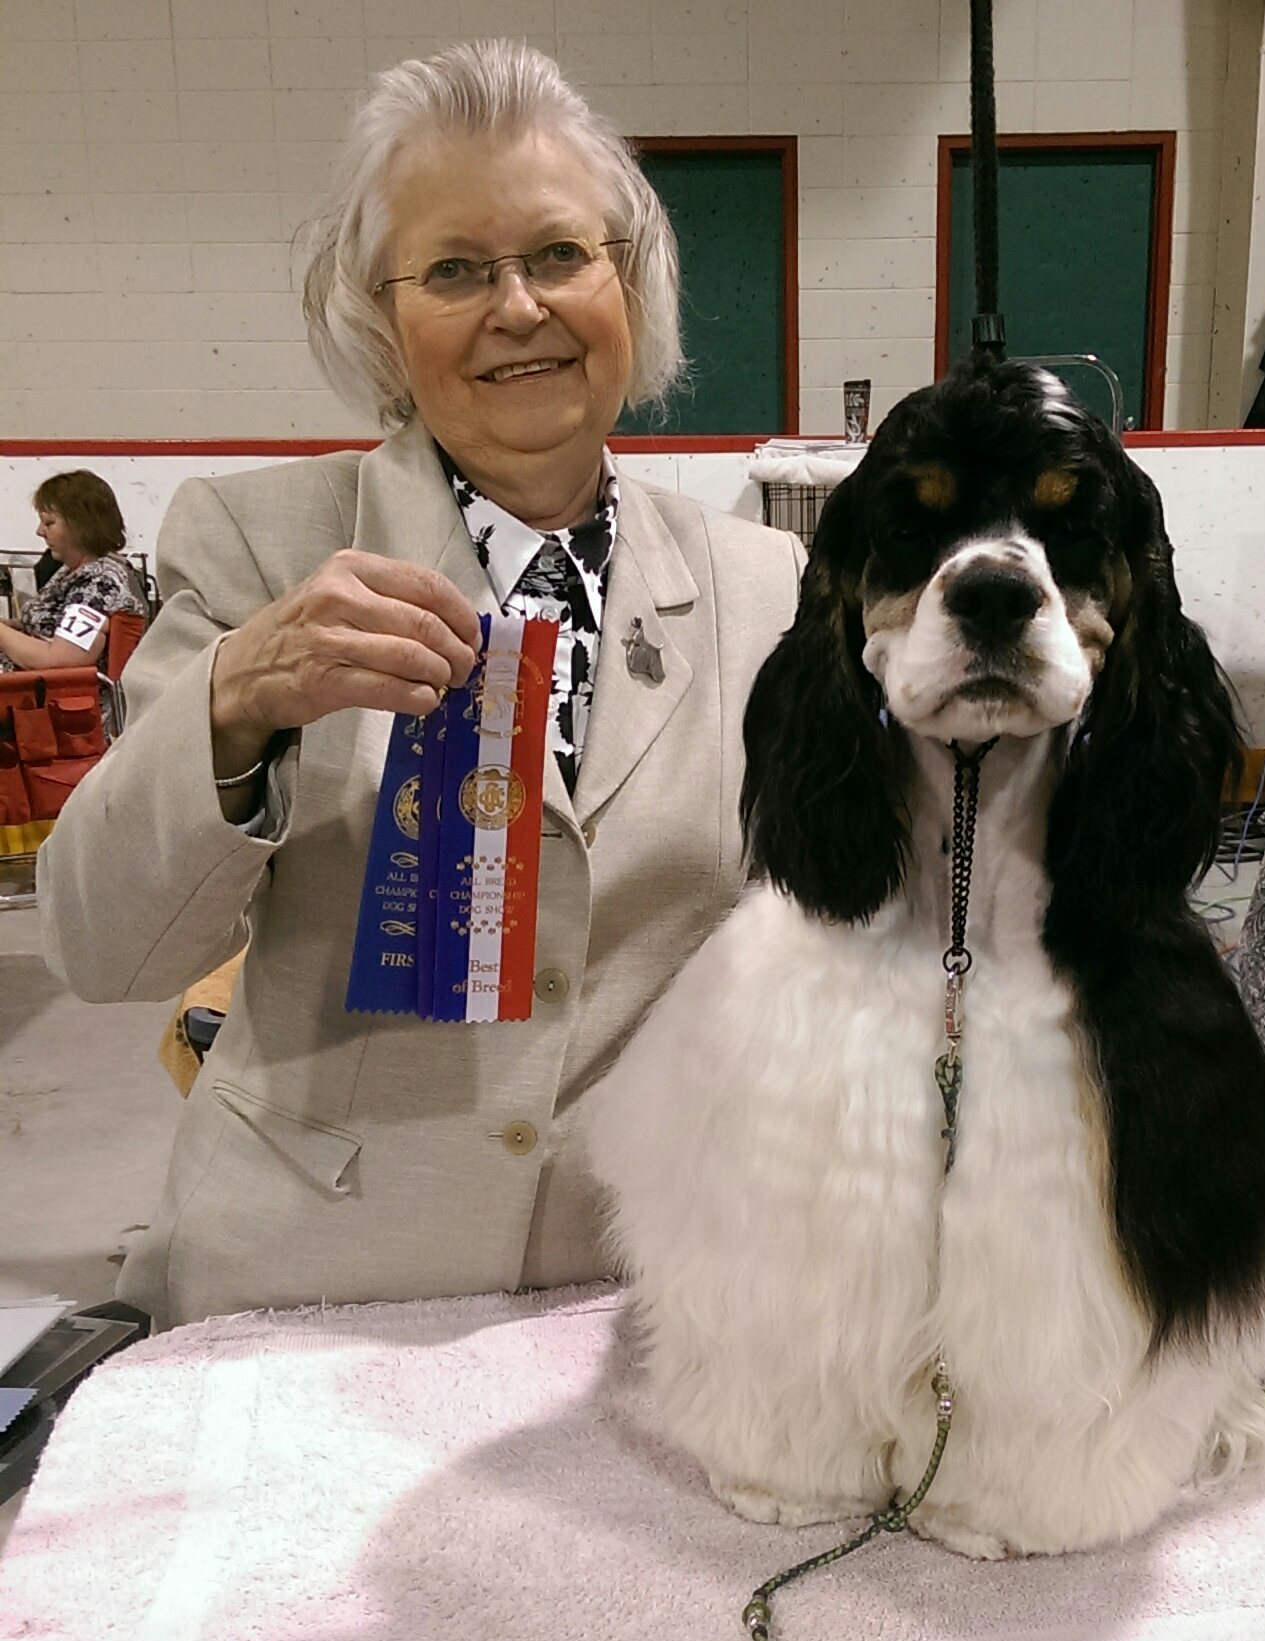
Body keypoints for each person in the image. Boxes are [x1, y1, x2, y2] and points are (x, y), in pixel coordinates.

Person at [38, 40, 803, 1331]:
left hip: (637, 1294)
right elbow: (102, 943)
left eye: (560, 255)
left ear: (633, 284)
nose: (519, 305)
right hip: (307, 1281)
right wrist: (238, 697)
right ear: (382, 316)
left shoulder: (768, 581)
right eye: (456, 268)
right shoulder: (256, 540)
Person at [0, 472, 144, 674]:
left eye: (49, 523)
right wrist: (11, 627)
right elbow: (51, 629)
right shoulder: (72, 573)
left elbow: (62, 658)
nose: (40, 531)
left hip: (51, 700)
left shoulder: (98, 583)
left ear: (81, 526)